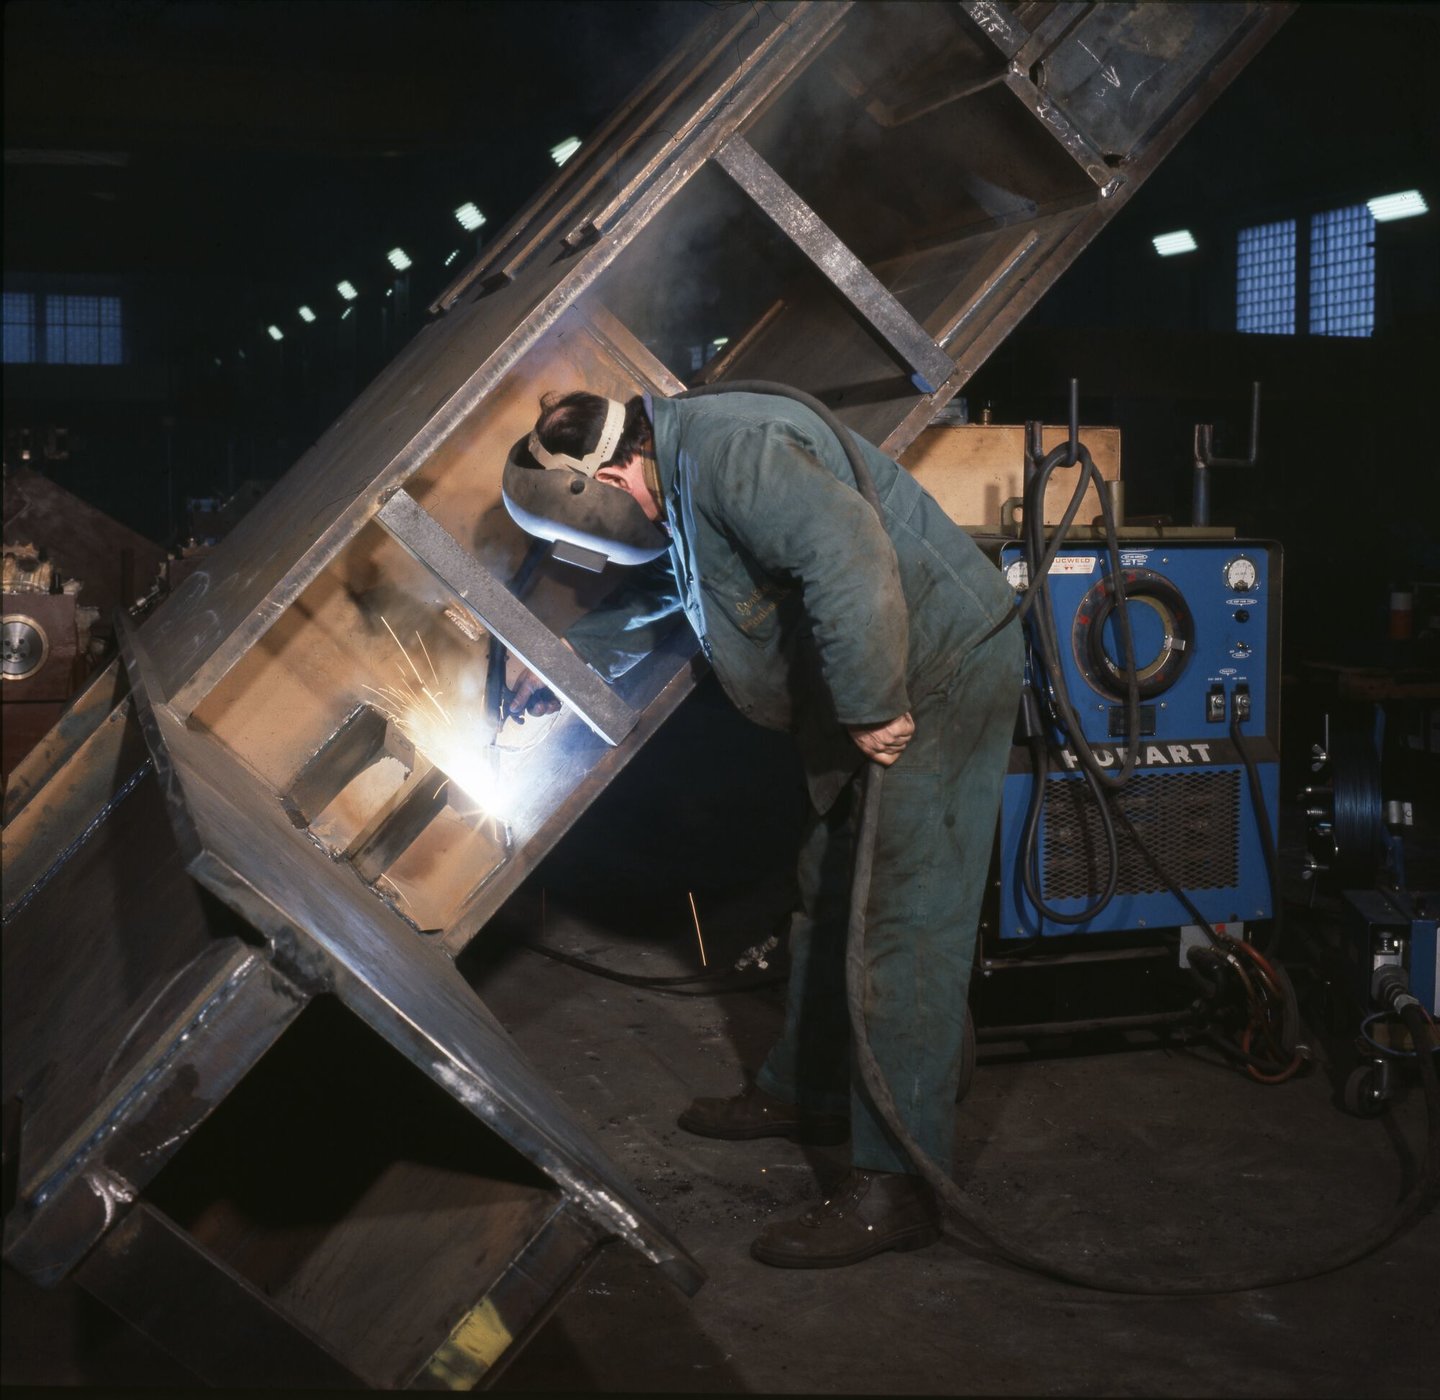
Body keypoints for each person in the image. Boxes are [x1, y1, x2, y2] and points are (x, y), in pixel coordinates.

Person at [504, 387, 1022, 1268]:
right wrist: (561, 663)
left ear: (604, 481)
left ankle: (897, 1185)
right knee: (828, 883)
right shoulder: (679, 464)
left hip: (929, 679)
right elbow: (691, 585)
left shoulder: (730, 451)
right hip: (875, 686)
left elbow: (848, 553)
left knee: (901, 926)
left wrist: (869, 706)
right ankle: (808, 1087)